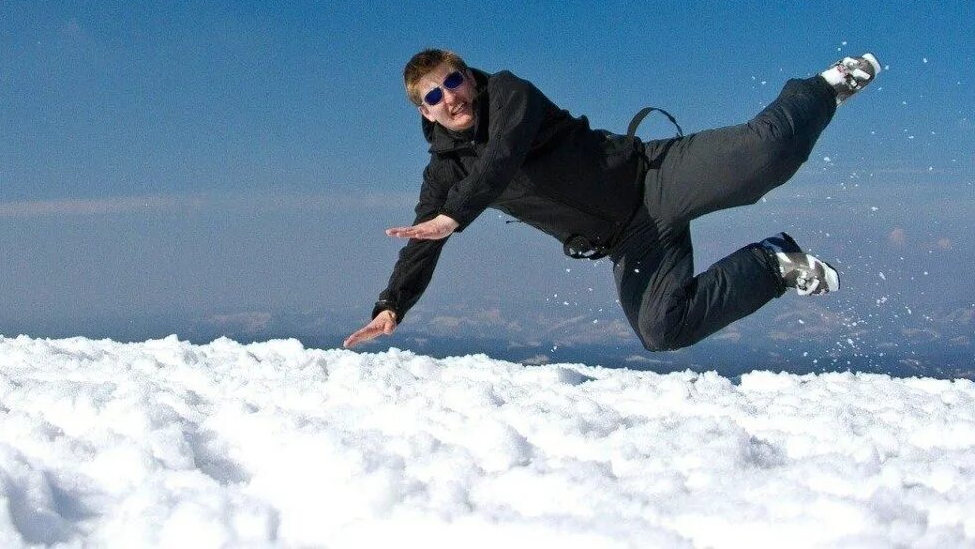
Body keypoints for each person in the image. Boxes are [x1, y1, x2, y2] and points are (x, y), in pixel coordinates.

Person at [343, 48, 882, 353]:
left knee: (771, 155)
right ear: (426, 113)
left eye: (453, 81)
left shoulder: (510, 94)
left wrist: (456, 215)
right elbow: (421, 240)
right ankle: (772, 264)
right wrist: (392, 305)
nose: (450, 96)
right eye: (434, 95)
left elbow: (502, 157)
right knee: (661, 330)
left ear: (469, 78)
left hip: (649, 178)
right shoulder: (443, 171)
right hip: (628, 239)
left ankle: (823, 88)